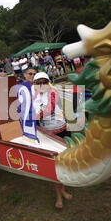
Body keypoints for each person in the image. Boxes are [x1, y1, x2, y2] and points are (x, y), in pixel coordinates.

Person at [32, 72, 72, 209]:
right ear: (35, 84)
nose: (42, 84)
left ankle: (63, 189)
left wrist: (33, 116)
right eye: (38, 82)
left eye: (44, 81)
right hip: (46, 134)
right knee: (53, 166)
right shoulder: (34, 96)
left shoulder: (53, 91)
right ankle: (59, 195)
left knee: (63, 161)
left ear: (48, 82)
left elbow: (50, 108)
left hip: (61, 130)